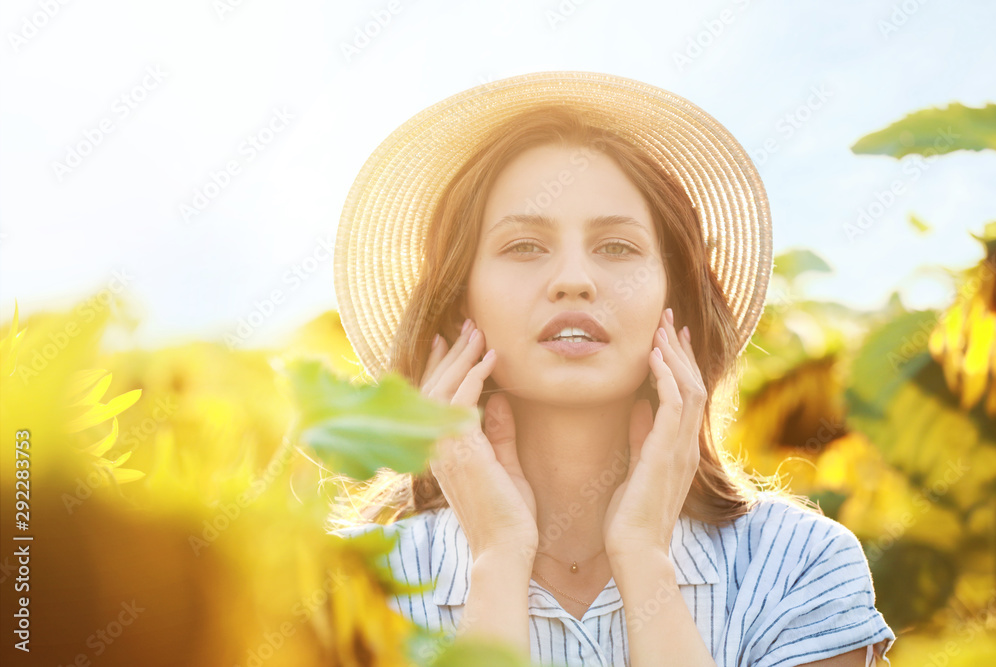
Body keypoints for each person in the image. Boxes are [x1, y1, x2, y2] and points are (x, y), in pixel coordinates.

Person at [331, 71, 896, 667]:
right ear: (457, 301)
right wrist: (497, 558)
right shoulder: (349, 586)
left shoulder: (798, 564)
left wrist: (645, 558)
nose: (574, 279)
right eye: (524, 245)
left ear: (673, 298)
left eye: (617, 247)